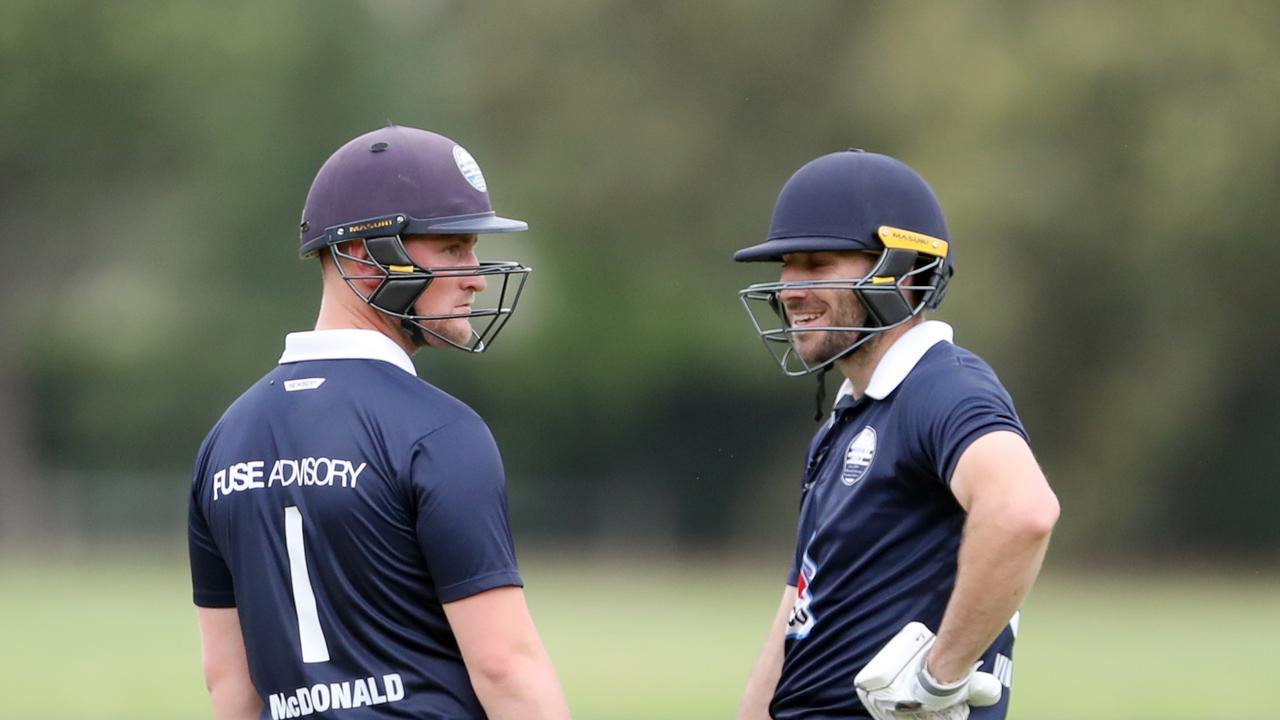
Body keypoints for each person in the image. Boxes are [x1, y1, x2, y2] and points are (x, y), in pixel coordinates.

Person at [188, 125, 571, 720]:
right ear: (366, 258)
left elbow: (230, 684)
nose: (475, 275)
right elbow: (505, 668)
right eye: (451, 249)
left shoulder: (224, 440)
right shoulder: (442, 433)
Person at [733, 150, 1059, 720]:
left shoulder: (942, 387)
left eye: (818, 264)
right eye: (787, 265)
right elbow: (802, 605)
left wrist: (939, 678)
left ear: (905, 273)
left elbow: (1022, 511)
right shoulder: (851, 416)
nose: (789, 289)